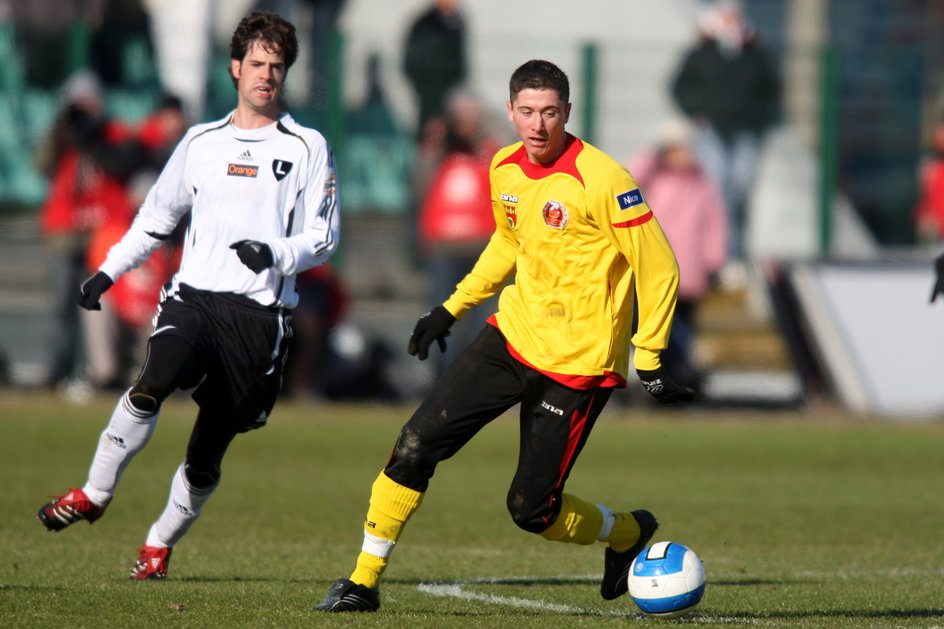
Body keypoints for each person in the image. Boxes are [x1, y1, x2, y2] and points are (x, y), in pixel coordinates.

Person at [315, 59, 693, 613]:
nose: (537, 125)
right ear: (511, 110)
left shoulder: (605, 179)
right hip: (511, 337)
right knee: (415, 444)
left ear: (566, 112)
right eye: (526, 112)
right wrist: (450, 307)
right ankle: (362, 581)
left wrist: (651, 355)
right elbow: (509, 245)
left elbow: (658, 267)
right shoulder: (505, 167)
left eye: (549, 113)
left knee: (531, 510)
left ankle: (628, 534)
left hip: (579, 365)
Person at [36, 11, 341, 581]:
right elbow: (156, 218)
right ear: (234, 67)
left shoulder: (307, 146)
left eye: (277, 67)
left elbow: (323, 237)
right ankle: (95, 493)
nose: (266, 75)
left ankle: (158, 542)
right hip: (194, 299)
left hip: (258, 316)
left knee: (208, 450)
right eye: (256, 64)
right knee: (154, 378)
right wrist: (107, 272)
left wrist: (275, 253)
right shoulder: (201, 141)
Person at [35, 70, 147, 390]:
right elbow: (42, 164)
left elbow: (121, 164)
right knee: (60, 306)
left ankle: (92, 370)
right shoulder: (60, 135)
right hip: (64, 233)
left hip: (102, 234)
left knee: (94, 304)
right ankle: (55, 369)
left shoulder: (111, 133)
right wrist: (63, 131)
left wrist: (90, 137)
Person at [670, 0, 780, 261]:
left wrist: (758, 120)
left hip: (746, 133)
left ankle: (735, 253)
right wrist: (696, 114)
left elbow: (771, 91)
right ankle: (720, 256)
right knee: (719, 193)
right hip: (710, 134)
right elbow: (679, 87)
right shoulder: (701, 53)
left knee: (740, 191)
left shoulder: (755, 55)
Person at [626, 121, 727, 391]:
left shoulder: (703, 186)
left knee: (680, 334)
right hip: (654, 273)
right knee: (654, 332)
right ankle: (658, 382)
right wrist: (653, 153)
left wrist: (714, 262)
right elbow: (628, 180)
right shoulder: (656, 180)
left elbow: (714, 226)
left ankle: (681, 378)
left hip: (688, 275)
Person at [415, 86, 508, 375]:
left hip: (483, 246)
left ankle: (475, 375)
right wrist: (435, 143)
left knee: (484, 317)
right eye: (461, 116)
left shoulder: (490, 149)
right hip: (444, 246)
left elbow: (510, 161)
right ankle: (441, 376)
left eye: (472, 116)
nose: (466, 123)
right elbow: (418, 185)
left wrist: (487, 126)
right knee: (444, 313)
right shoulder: (440, 151)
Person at [402, 0, 467, 139]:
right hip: (430, 96)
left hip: (453, 94)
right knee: (430, 136)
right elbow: (413, 64)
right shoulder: (424, 24)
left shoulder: (457, 22)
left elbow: (460, 62)